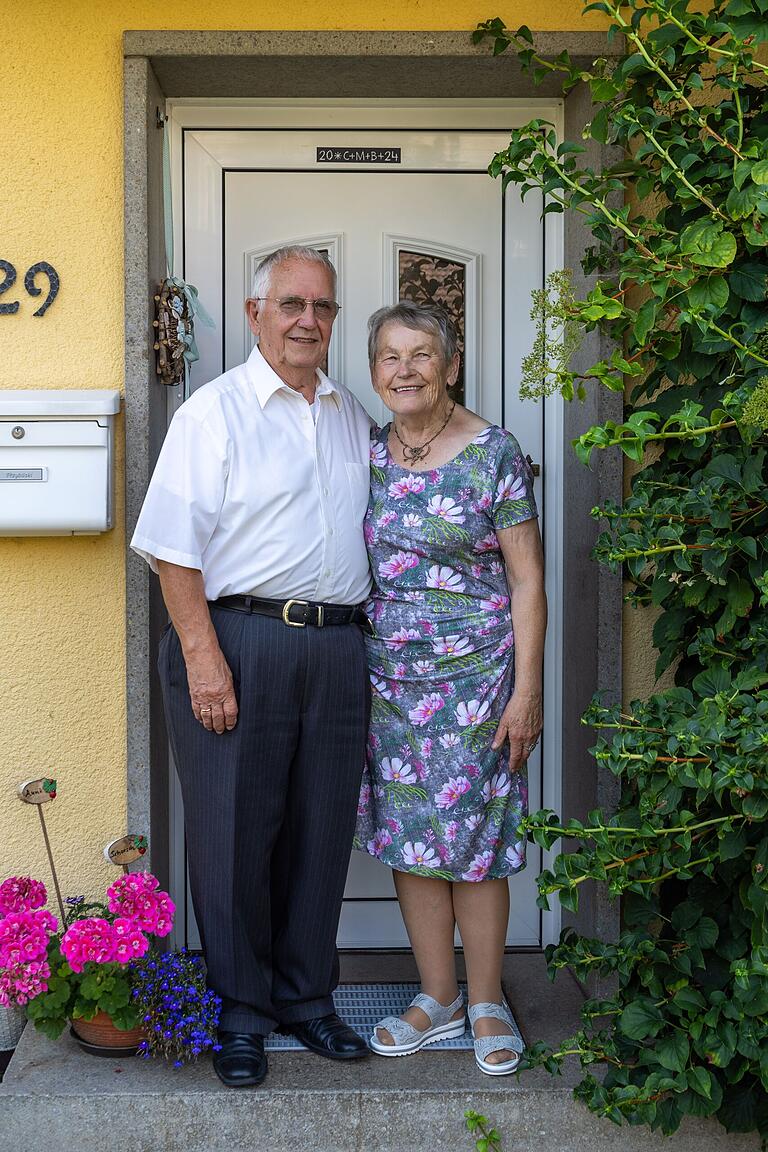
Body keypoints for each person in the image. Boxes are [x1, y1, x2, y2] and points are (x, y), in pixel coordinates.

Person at [131, 246, 372, 1088]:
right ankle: (241, 1011)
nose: (310, 320)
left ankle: (308, 1002)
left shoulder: (349, 413)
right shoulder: (213, 413)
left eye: (324, 307)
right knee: (234, 835)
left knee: (319, 832)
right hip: (238, 642)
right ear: (254, 313)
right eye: (292, 304)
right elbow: (170, 552)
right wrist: (204, 659)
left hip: (340, 647)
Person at [355, 300, 546, 1075]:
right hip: (389, 679)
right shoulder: (367, 452)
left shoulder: (493, 451)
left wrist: (525, 691)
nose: (405, 370)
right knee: (412, 838)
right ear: (374, 372)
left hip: (478, 680)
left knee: (476, 842)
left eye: (421, 354)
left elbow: (528, 579)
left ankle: (489, 998)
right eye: (390, 357)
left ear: (451, 366)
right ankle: (437, 998)